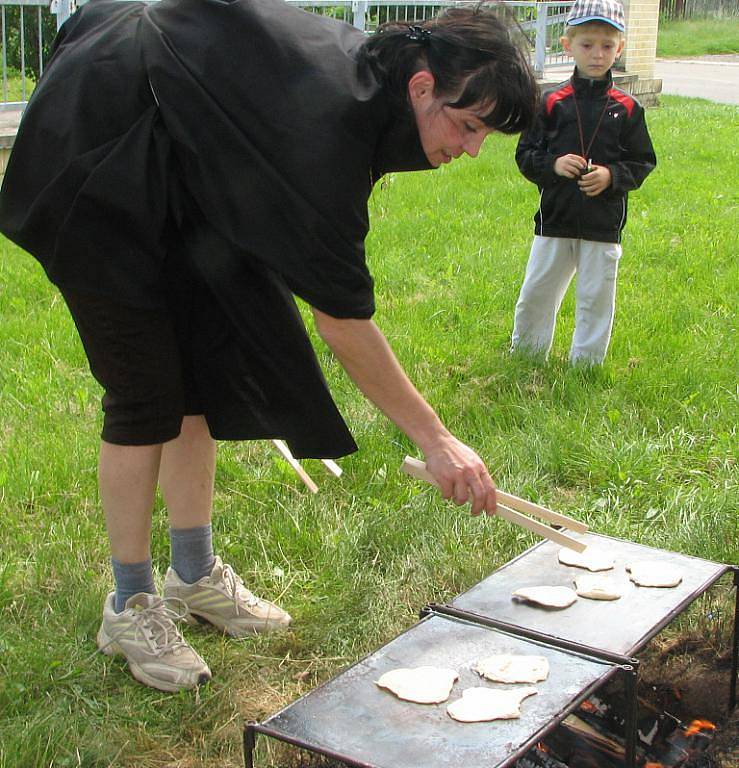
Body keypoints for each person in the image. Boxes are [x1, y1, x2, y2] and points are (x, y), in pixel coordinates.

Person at [0, 0, 538, 692]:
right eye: (467, 127)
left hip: (188, 156)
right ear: (421, 86)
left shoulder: (374, 94)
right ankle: (129, 603)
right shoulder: (332, 123)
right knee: (144, 394)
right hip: (100, 140)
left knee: (201, 374)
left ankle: (192, 575)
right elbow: (342, 319)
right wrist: (437, 441)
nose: (470, 149)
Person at [511, 0, 656, 365]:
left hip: (603, 225)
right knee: (537, 292)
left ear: (619, 49)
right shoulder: (550, 102)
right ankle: (527, 354)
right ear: (567, 45)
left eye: (607, 46)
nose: (597, 54)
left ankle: (587, 365)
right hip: (554, 221)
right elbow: (525, 154)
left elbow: (642, 161)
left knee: (596, 298)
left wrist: (611, 176)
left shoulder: (627, 107)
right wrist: (554, 165)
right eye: (587, 45)